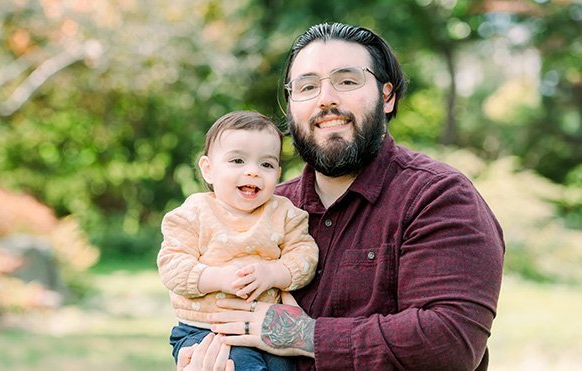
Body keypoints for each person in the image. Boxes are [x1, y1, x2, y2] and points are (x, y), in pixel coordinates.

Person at [198, 22, 505, 370]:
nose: (326, 98)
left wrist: (303, 335)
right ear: (290, 106)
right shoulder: (261, 208)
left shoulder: (437, 197)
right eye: (308, 86)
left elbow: (448, 343)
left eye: (347, 81)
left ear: (386, 96)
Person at [157, 110, 319, 371]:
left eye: (265, 164)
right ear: (208, 170)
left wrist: (273, 273)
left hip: (267, 330)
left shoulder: (284, 213)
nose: (253, 172)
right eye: (237, 161)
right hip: (207, 330)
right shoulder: (193, 214)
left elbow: (305, 255)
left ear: (277, 173)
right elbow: (172, 266)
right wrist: (217, 278)